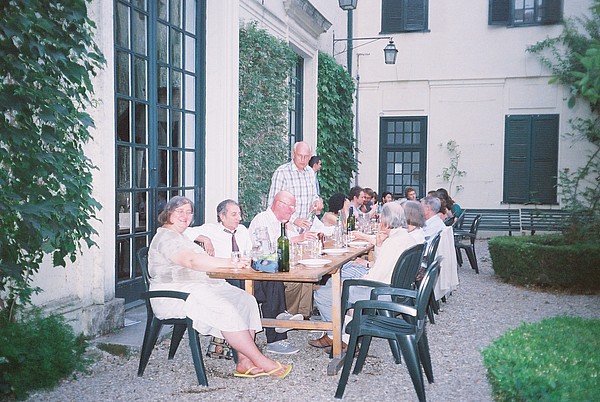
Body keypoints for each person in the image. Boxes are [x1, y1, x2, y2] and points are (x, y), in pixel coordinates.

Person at [147, 196, 291, 379]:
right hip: (174, 294)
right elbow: (190, 261)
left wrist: (205, 240)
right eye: (180, 211)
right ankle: (261, 359)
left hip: (197, 287)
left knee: (246, 300)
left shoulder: (180, 235)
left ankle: (243, 362)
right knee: (225, 308)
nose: (185, 216)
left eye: (189, 212)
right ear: (169, 214)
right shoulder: (166, 237)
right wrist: (231, 263)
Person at [184, 199, 303, 356]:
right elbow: (184, 232)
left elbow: (251, 252)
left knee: (273, 278)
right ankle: (276, 328)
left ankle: (278, 330)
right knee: (267, 286)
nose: (238, 218)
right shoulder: (210, 229)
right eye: (234, 214)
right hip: (225, 279)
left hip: (245, 274)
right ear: (222, 216)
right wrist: (205, 239)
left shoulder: (242, 230)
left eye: (239, 214)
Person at [310, 202, 419, 351]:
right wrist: (379, 245)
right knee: (336, 284)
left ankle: (336, 336)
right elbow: (383, 266)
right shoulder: (406, 237)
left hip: (382, 292)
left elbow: (375, 276)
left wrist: (349, 284)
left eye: (381, 219)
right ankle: (343, 336)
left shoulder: (393, 242)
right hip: (397, 290)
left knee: (324, 293)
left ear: (386, 221)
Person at [250, 191, 317, 320]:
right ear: (279, 204)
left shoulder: (285, 223)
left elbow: (297, 245)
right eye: (291, 206)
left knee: (309, 276)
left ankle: (301, 316)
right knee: (297, 281)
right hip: (264, 269)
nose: (294, 210)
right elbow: (266, 251)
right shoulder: (262, 220)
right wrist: (297, 238)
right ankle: (285, 315)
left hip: (284, 264)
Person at [267, 142, 322, 233]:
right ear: (293, 154)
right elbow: (272, 205)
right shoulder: (282, 173)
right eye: (300, 156)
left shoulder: (310, 172)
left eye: (306, 156)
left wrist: (315, 201)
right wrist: (294, 220)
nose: (303, 160)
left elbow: (314, 195)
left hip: (306, 229)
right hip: (286, 230)